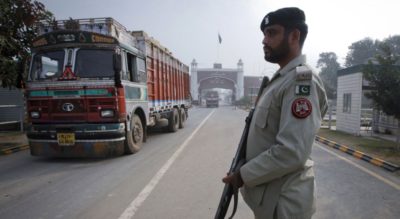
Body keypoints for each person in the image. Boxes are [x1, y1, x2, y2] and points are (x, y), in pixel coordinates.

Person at [222, 7, 328, 219]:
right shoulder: (279, 81)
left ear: (294, 36)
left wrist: (242, 175)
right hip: (270, 198)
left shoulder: (301, 82)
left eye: (271, 33)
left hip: (284, 203)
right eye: (264, 34)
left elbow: (292, 151)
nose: (264, 40)